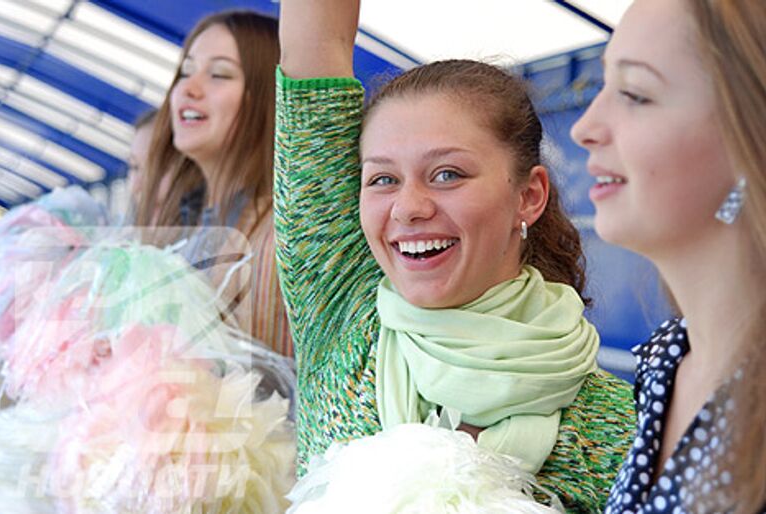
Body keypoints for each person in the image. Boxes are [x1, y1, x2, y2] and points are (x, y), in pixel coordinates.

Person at [274, 0, 635, 511]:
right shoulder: (337, 302)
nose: (409, 207)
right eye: (382, 179)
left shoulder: (616, 426)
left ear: (529, 196)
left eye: (447, 174)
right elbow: (315, 43)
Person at [570, 0, 766, 512]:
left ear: (752, 137)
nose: (583, 127)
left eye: (635, 94)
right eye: (601, 87)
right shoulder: (666, 360)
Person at [136, 10, 292, 357]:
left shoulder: (274, 239)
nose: (188, 88)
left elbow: (266, 388)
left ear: (266, 97)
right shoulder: (185, 224)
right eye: (186, 71)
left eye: (219, 74)